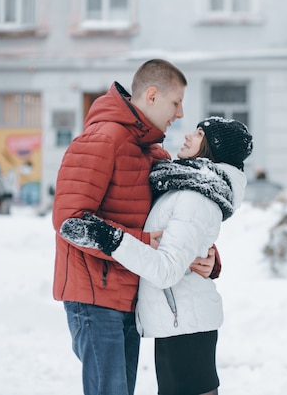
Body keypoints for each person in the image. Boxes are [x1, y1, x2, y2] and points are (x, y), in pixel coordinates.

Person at [51, 59, 220, 395]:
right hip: (94, 298)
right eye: (176, 102)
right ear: (152, 95)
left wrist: (208, 257)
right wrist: (143, 243)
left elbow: (175, 221)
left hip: (129, 296)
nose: (181, 113)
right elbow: (70, 221)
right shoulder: (103, 139)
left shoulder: (153, 153)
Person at [60, 116, 253, 395]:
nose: (188, 136)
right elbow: (183, 242)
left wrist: (111, 239)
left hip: (184, 325)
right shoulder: (187, 186)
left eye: (199, 134)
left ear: (214, 148)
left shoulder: (194, 197)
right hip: (181, 321)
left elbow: (167, 270)